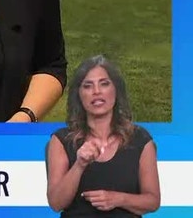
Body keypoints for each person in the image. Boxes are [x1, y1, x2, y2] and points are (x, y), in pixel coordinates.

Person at [46, 55, 160, 216]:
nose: (97, 92)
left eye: (104, 84)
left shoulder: (140, 139)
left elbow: (152, 201)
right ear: (79, 95)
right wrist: (79, 165)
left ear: (116, 90)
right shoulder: (62, 140)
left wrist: (118, 199)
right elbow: (56, 203)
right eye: (88, 86)